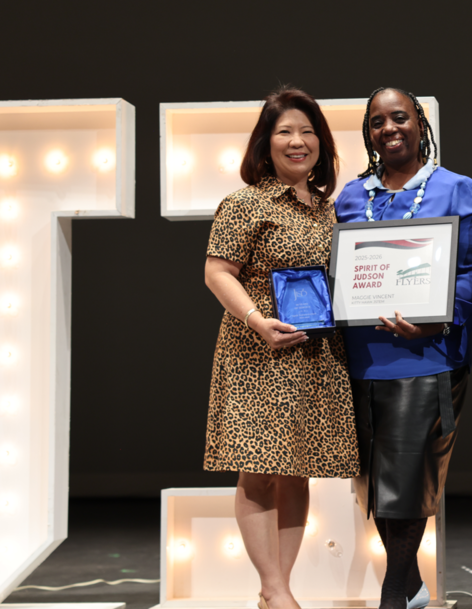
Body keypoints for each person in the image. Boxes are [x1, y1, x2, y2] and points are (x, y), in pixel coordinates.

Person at [203, 87, 359, 609]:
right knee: (259, 467)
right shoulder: (245, 203)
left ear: (322, 142)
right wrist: (255, 320)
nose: (298, 141)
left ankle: (280, 588)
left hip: (314, 353)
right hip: (260, 352)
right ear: (265, 143)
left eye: (308, 131)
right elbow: (216, 271)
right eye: (285, 132)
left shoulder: (329, 210)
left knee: (296, 469)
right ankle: (272, 588)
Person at [334, 88, 472, 609]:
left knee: (407, 484)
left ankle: (393, 595)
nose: (388, 128)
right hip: (360, 359)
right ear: (368, 132)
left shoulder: (457, 189)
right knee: (375, 487)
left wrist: (435, 323)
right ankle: (414, 586)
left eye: (399, 117)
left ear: (420, 123)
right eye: (377, 122)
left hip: (428, 357)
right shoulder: (352, 197)